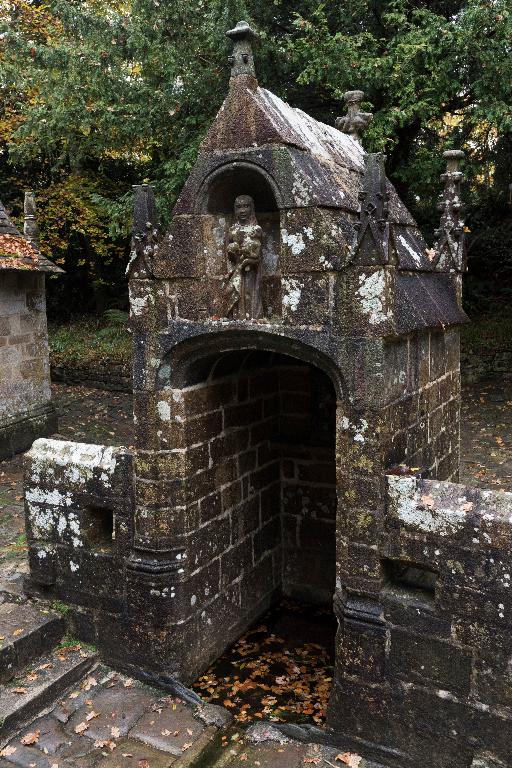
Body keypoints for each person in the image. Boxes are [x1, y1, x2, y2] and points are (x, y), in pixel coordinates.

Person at [224, 195, 262, 319]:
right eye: (239, 207)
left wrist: (249, 260)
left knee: (249, 293)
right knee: (235, 292)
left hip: (251, 270)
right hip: (237, 269)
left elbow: (257, 254)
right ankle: (237, 316)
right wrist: (233, 253)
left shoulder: (256, 229)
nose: (243, 210)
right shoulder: (233, 230)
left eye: (246, 206)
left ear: (251, 208)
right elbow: (228, 255)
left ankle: (252, 317)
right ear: (235, 210)